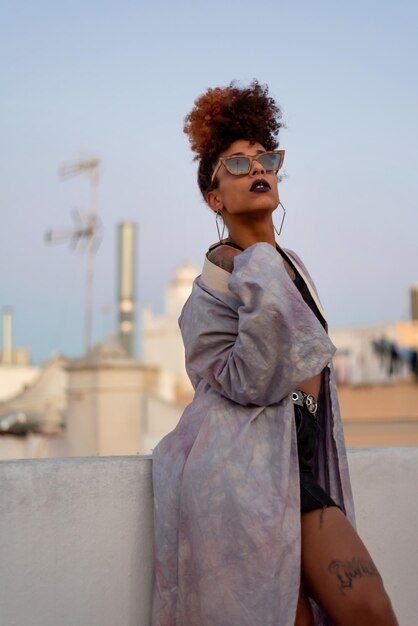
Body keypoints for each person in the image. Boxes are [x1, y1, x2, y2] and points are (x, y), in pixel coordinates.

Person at [151, 81, 398, 626]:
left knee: (370, 611)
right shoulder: (214, 289)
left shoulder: (288, 264)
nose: (256, 168)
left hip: (294, 467)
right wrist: (258, 262)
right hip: (241, 479)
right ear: (214, 198)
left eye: (265, 158)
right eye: (235, 165)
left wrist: (266, 260)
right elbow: (250, 381)